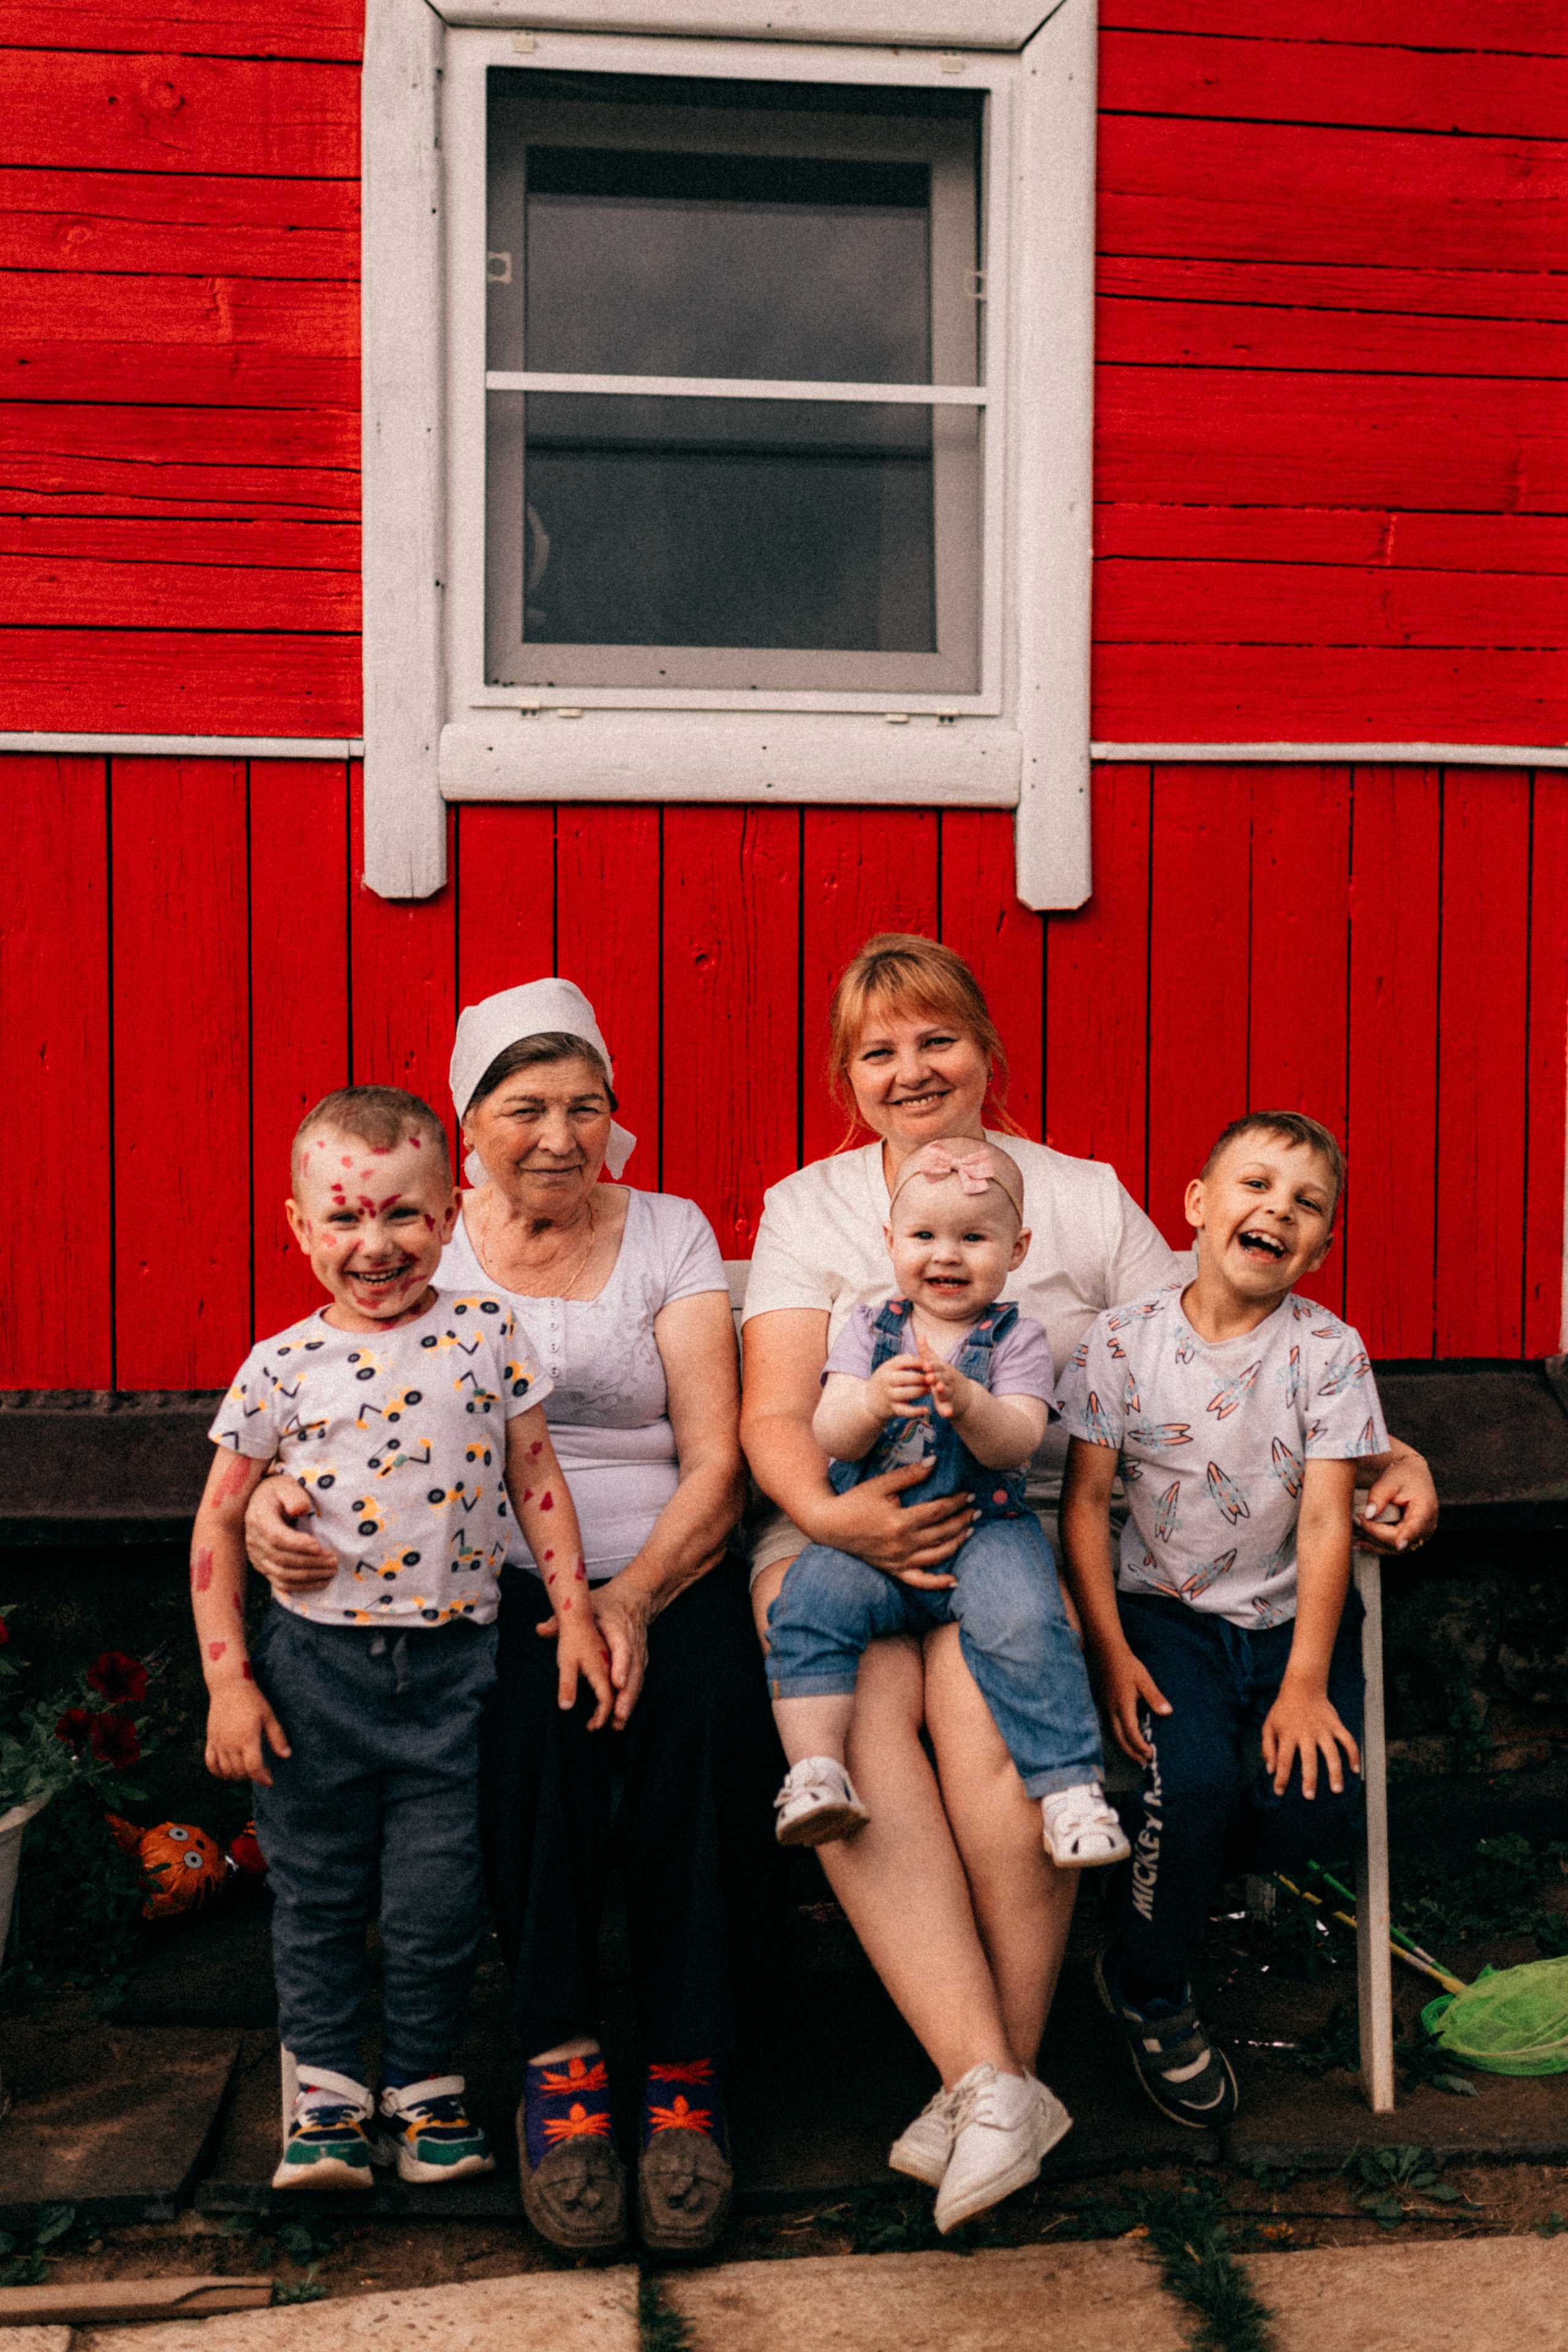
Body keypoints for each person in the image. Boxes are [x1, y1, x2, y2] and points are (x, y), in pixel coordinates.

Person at [739, 934, 1438, 2231]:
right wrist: (840, 1517)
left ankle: (982, 2094)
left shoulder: (1076, 1195)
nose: (911, 1069)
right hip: (844, 1532)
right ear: (846, 1079)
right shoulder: (808, 1207)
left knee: (990, 1727)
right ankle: (996, 2083)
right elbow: (775, 1415)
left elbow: (1218, 1324)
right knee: (866, 1741)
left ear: (986, 1055)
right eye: (877, 1051)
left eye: (936, 1039)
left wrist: (1385, 1445)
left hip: (1013, 1526)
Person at [243, 981, 775, 2261]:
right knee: (531, 1721)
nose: (557, 1135)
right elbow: (325, 1387)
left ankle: (685, 2076)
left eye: (583, 1106)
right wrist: (267, 1495)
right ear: (467, 1125)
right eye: (523, 1108)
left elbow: (715, 1458)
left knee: (696, 1713)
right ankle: (562, 2064)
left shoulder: (669, 1230)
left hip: (664, 1560)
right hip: (479, 1577)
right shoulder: (423, 1236)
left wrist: (634, 1598)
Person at [192, 1085, 609, 2194]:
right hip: (313, 1674)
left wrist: (574, 1614)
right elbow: (218, 1522)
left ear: (450, 1212)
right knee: (317, 1893)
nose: (375, 1246)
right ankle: (325, 2100)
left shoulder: (485, 1333)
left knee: (437, 1899)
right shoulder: (279, 1367)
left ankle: (424, 2091)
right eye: (345, 1219)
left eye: (404, 1217)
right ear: (298, 1226)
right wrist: (229, 1684)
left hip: (452, 1673)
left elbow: (537, 1480)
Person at [1057, 1110, 1387, 2132]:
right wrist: (1109, 1651)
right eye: (1254, 1187)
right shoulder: (1123, 1341)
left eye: (1306, 1206)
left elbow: (1331, 1518)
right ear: (1198, 1207)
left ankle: (1173, 1888)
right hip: (1164, 1618)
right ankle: (1153, 1987)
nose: (1276, 1212)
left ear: (1322, 1247)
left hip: (1290, 1622)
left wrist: (1302, 1680)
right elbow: (1081, 1505)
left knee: (1321, 1806)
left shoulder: (1328, 1351)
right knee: (1189, 1782)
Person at [767, 1134, 1127, 1881]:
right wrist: (868, 1402)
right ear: (889, 1243)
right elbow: (828, 1429)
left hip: (982, 1528)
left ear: (1017, 1248)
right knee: (805, 1606)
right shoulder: (870, 1330)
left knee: (1031, 1623)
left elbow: (1016, 1441)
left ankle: (1069, 1789)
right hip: (869, 1534)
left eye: (973, 1238)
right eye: (924, 1236)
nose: (946, 1255)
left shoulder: (1014, 1339)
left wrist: (969, 1402)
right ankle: (814, 1771)